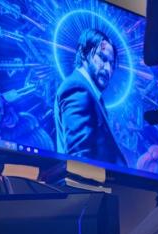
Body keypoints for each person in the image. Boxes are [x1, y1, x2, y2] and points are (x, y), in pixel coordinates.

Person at [54, 28, 127, 165]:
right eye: (102, 58)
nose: (108, 69)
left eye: (112, 64)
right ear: (83, 53)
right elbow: (79, 159)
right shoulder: (77, 88)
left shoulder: (91, 95)